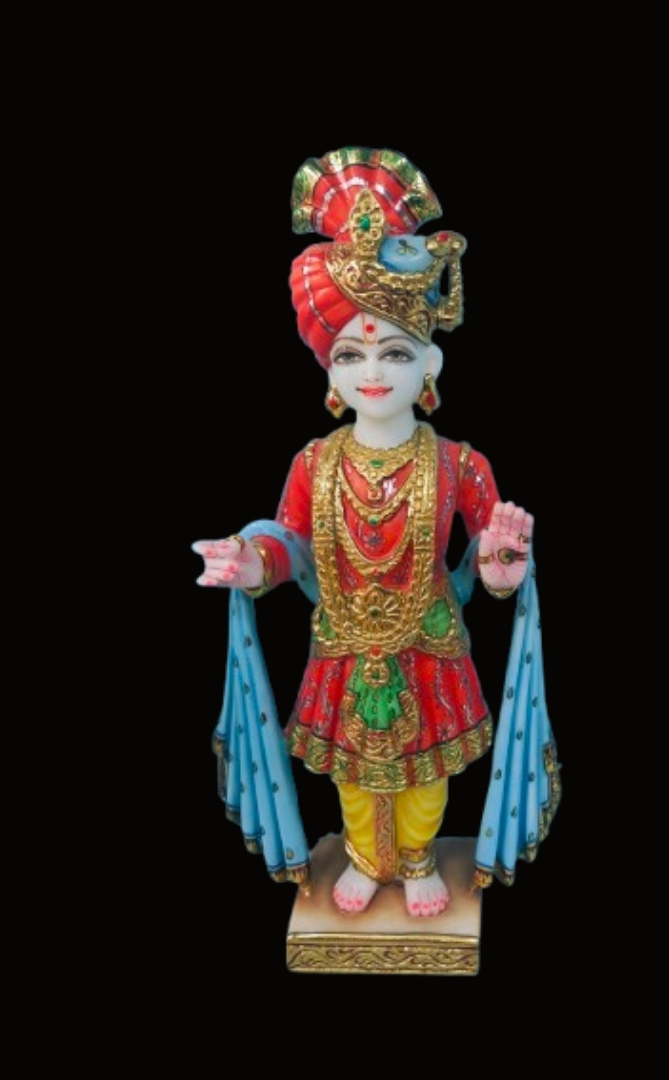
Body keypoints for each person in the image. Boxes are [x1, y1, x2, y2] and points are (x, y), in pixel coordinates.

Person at [193, 147, 560, 918]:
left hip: (429, 641)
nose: (374, 372)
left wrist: (502, 567)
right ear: (329, 374)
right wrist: (252, 562)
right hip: (343, 644)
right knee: (351, 771)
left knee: (428, 770)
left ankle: (419, 856)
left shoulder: (461, 464)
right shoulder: (313, 462)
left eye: (395, 353)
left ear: (430, 365)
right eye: (351, 354)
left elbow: (490, 554)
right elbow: (289, 540)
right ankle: (363, 854)